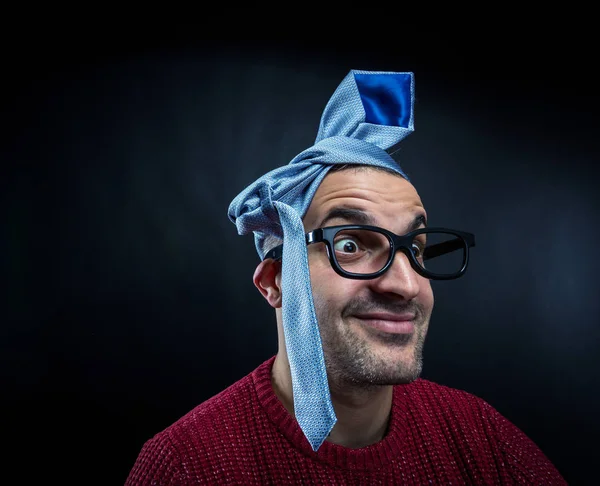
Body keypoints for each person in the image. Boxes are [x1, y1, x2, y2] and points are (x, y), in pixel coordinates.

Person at [125, 70, 567, 485]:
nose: (405, 284)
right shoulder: (184, 465)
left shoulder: (479, 438)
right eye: (351, 245)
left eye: (414, 248)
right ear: (275, 282)